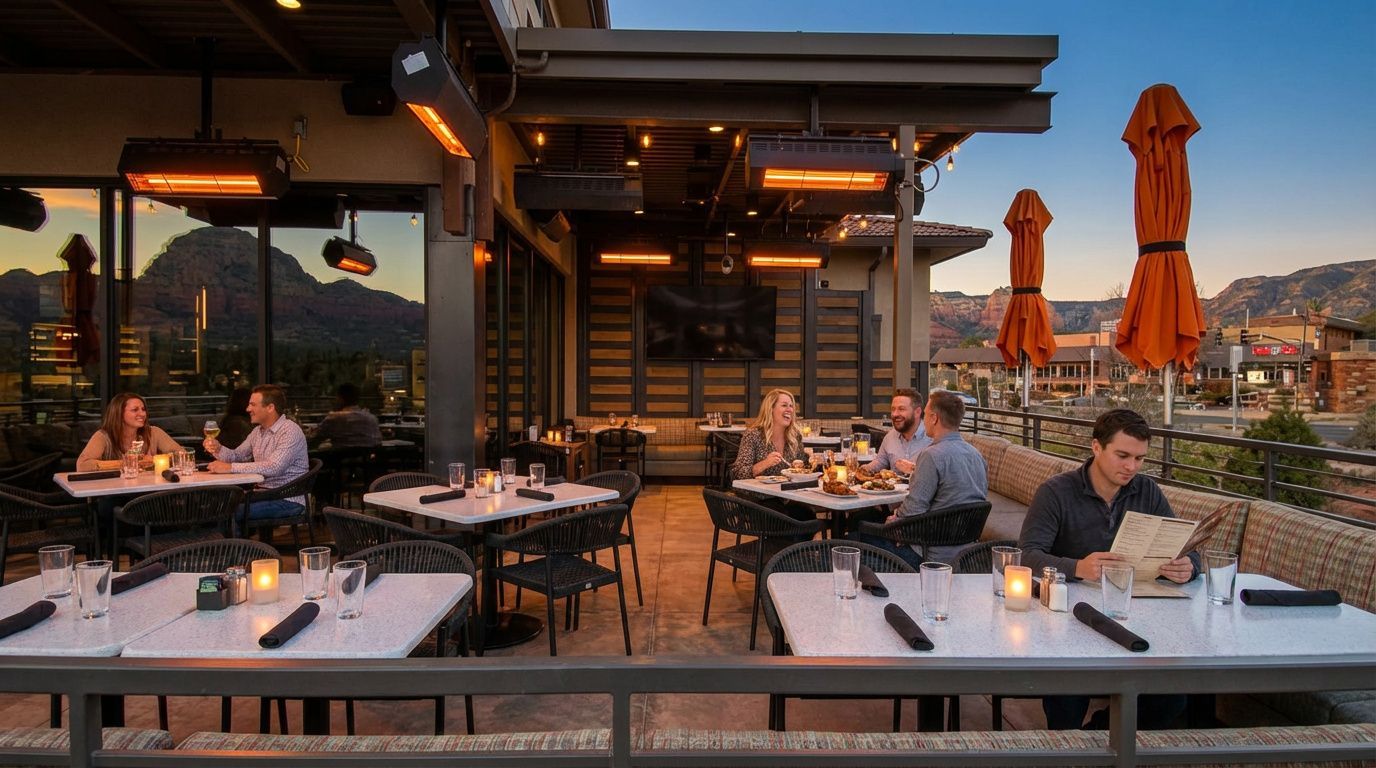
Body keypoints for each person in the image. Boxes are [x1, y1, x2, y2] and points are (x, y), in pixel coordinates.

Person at [1019, 408, 1199, 731]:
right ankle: (1072, 749)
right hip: (1069, 617)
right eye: (1123, 455)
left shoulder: (1146, 491)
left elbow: (1185, 548)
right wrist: (1078, 567)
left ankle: (1098, 740)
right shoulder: (1057, 493)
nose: (1132, 467)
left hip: (1137, 615)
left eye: (1140, 459)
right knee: (1066, 702)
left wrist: (1190, 566)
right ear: (1096, 448)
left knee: (1173, 699)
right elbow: (1026, 556)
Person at [848, 390, 987, 567]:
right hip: (967, 553)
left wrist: (897, 518)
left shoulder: (932, 455)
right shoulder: (976, 455)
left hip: (927, 552)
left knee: (857, 535)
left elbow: (914, 508)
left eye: (927, 415)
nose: (925, 421)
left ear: (934, 418)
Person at [204, 384, 309, 522]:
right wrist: (217, 448)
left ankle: (236, 544)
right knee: (217, 506)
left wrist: (230, 468)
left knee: (230, 513)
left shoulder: (290, 431)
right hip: (264, 495)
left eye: (253, 405)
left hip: (287, 499)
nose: (248, 409)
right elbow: (237, 456)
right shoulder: (258, 431)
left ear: (270, 408)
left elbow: (274, 467)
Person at [77, 392, 181, 470]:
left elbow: (181, 454)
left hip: (148, 490)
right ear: (119, 414)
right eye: (135, 410)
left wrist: (155, 460)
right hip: (115, 491)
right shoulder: (103, 436)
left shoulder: (153, 432)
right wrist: (126, 463)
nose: (142, 414)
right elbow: (82, 465)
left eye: (143, 409)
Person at [731, 388, 807, 480]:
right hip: (758, 492)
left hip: (786, 492)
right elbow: (737, 474)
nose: (790, 410)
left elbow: (803, 470)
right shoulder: (753, 435)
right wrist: (765, 463)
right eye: (784, 405)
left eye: (791, 406)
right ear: (771, 409)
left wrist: (814, 461)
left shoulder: (795, 436)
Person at [862, 387, 931, 476]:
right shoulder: (890, 436)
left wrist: (913, 469)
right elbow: (880, 461)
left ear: (917, 412)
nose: (895, 414)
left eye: (901, 409)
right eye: (893, 409)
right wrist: (865, 469)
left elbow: (939, 474)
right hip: (894, 489)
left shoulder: (932, 437)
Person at [311, 383, 382, 449]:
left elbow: (314, 441)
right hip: (367, 461)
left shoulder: (334, 418)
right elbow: (378, 443)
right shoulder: (372, 419)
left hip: (338, 461)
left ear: (340, 399)